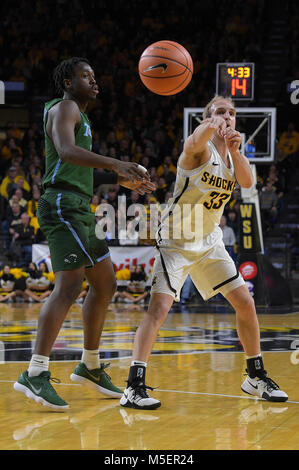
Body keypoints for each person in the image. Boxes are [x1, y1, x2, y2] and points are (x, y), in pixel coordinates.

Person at [120, 95, 288, 410]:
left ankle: (255, 376)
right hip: (176, 240)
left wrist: (237, 151)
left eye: (232, 113)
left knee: (246, 303)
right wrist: (210, 125)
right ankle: (133, 385)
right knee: (158, 311)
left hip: (209, 241)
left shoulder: (233, 154)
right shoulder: (199, 151)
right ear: (207, 118)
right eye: (220, 112)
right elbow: (192, 142)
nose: (227, 117)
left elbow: (248, 181)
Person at [14, 57, 155, 410]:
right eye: (85, 76)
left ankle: (89, 365)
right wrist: (115, 163)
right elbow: (65, 151)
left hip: (78, 205)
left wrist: (122, 178)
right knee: (70, 287)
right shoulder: (64, 107)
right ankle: (35, 372)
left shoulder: (83, 117)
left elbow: (80, 170)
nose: (94, 81)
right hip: (61, 204)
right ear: (66, 82)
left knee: (106, 284)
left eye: (94, 75)